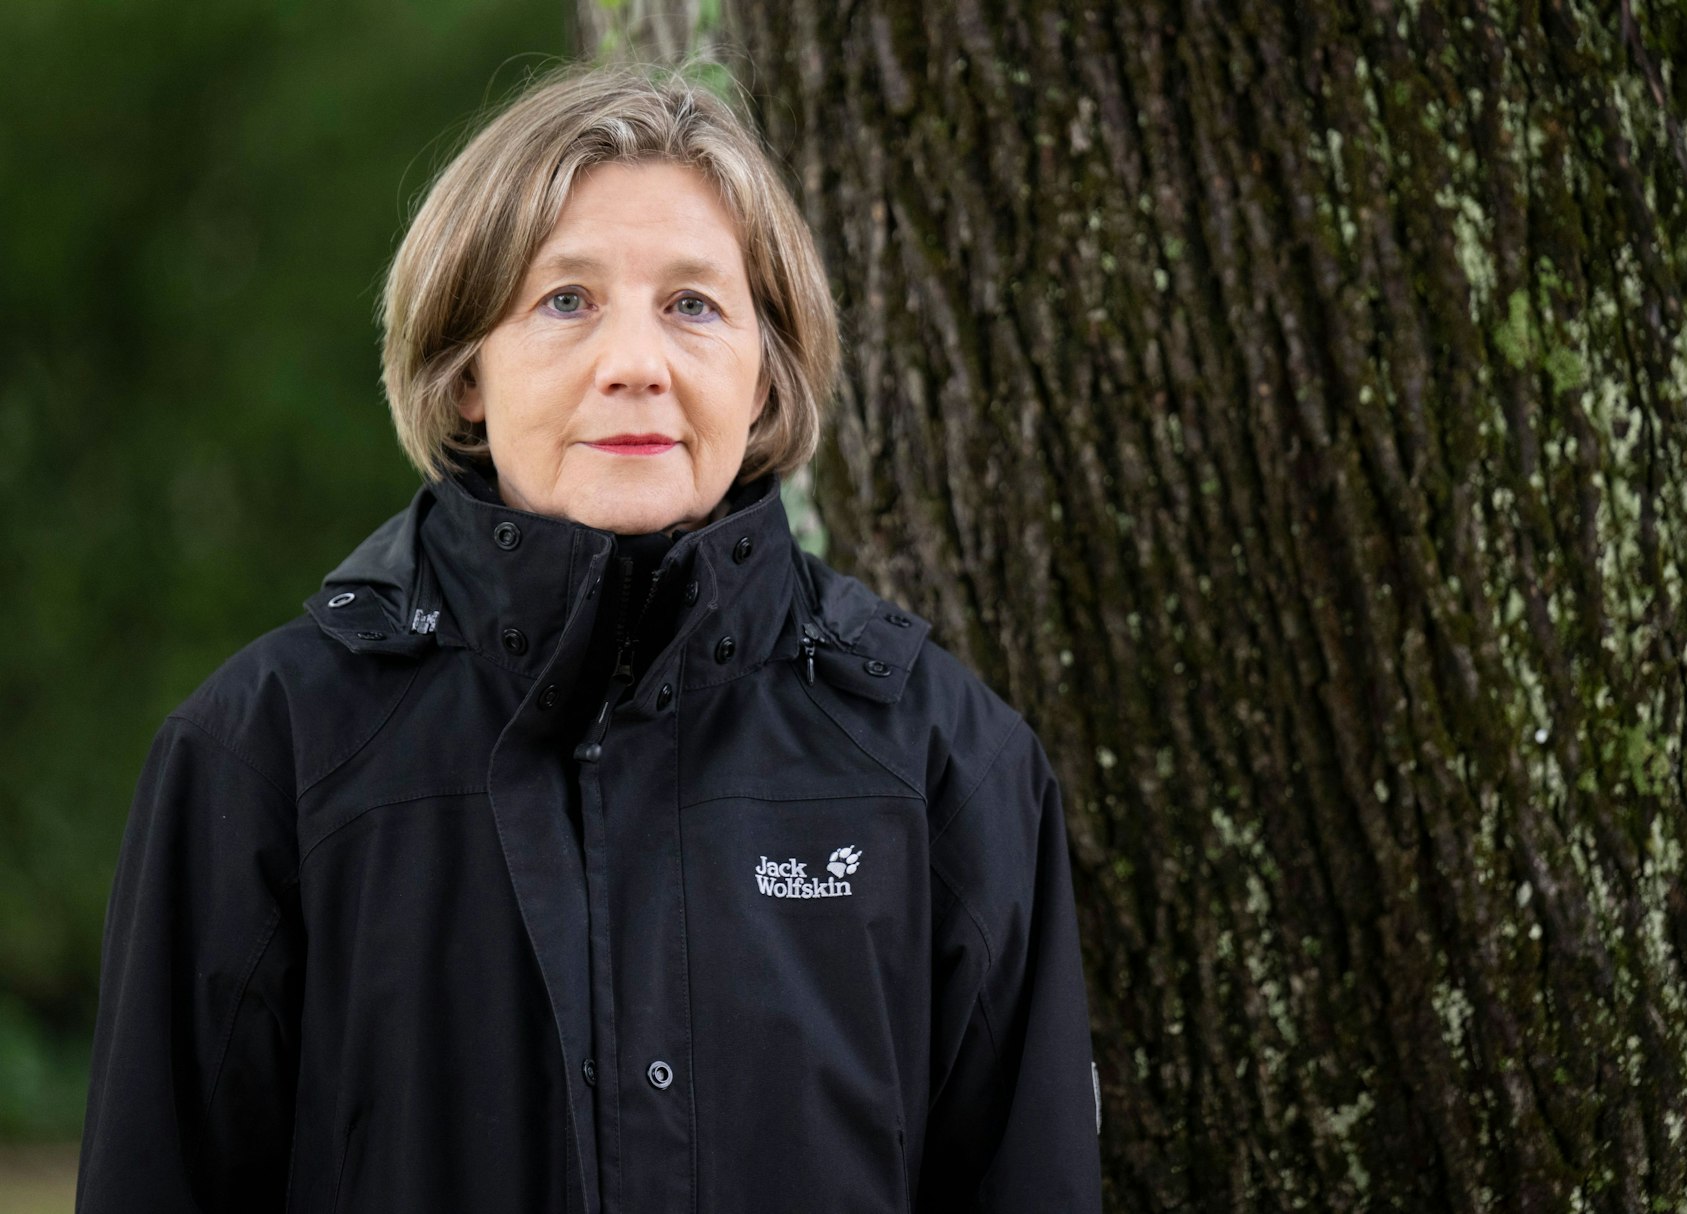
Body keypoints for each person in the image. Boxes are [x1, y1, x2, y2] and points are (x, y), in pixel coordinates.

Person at [75, 62, 1102, 1213]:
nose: (634, 364)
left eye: (693, 305)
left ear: (764, 375)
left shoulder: (942, 758)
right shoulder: (262, 753)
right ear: (466, 371)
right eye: (565, 301)